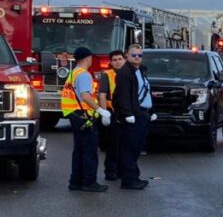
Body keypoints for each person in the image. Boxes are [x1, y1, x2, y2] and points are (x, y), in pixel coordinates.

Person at [62, 47, 112, 192]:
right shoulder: (84, 75)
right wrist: (100, 110)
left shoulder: (73, 73)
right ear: (87, 58)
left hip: (75, 114)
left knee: (79, 150)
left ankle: (76, 181)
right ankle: (89, 182)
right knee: (89, 151)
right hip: (84, 116)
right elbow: (85, 96)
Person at [113, 44, 156, 190]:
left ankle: (133, 176)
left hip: (142, 113)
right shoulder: (125, 73)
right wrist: (128, 114)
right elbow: (123, 96)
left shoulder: (141, 70)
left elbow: (146, 91)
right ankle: (129, 179)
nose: (137, 58)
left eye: (139, 55)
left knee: (136, 147)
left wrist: (152, 110)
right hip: (133, 115)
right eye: (134, 55)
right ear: (127, 56)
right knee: (130, 148)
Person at [98, 49, 127, 182]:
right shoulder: (107, 75)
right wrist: (104, 113)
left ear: (124, 60)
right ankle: (110, 172)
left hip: (126, 113)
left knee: (125, 145)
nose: (117, 62)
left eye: (119, 59)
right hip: (112, 112)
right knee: (113, 145)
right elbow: (102, 94)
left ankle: (122, 171)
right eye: (114, 60)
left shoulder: (129, 73)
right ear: (111, 62)